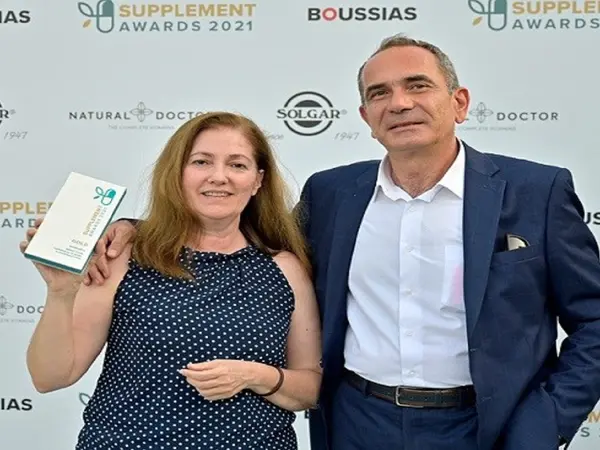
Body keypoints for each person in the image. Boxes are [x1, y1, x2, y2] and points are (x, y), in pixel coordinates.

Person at [84, 34, 600, 450]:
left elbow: (594, 320)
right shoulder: (331, 194)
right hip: (355, 423)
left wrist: (545, 421)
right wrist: (134, 228)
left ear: (458, 102)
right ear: (366, 118)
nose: (399, 103)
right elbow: (242, 235)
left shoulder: (537, 191)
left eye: (418, 85)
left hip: (490, 427)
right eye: (379, 93)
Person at [20, 111, 322, 449]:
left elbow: (310, 389)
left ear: (257, 181)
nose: (219, 177)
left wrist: (255, 376)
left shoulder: (284, 269)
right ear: (176, 173)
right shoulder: (124, 254)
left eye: (237, 165)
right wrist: (61, 293)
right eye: (201, 162)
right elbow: (50, 377)